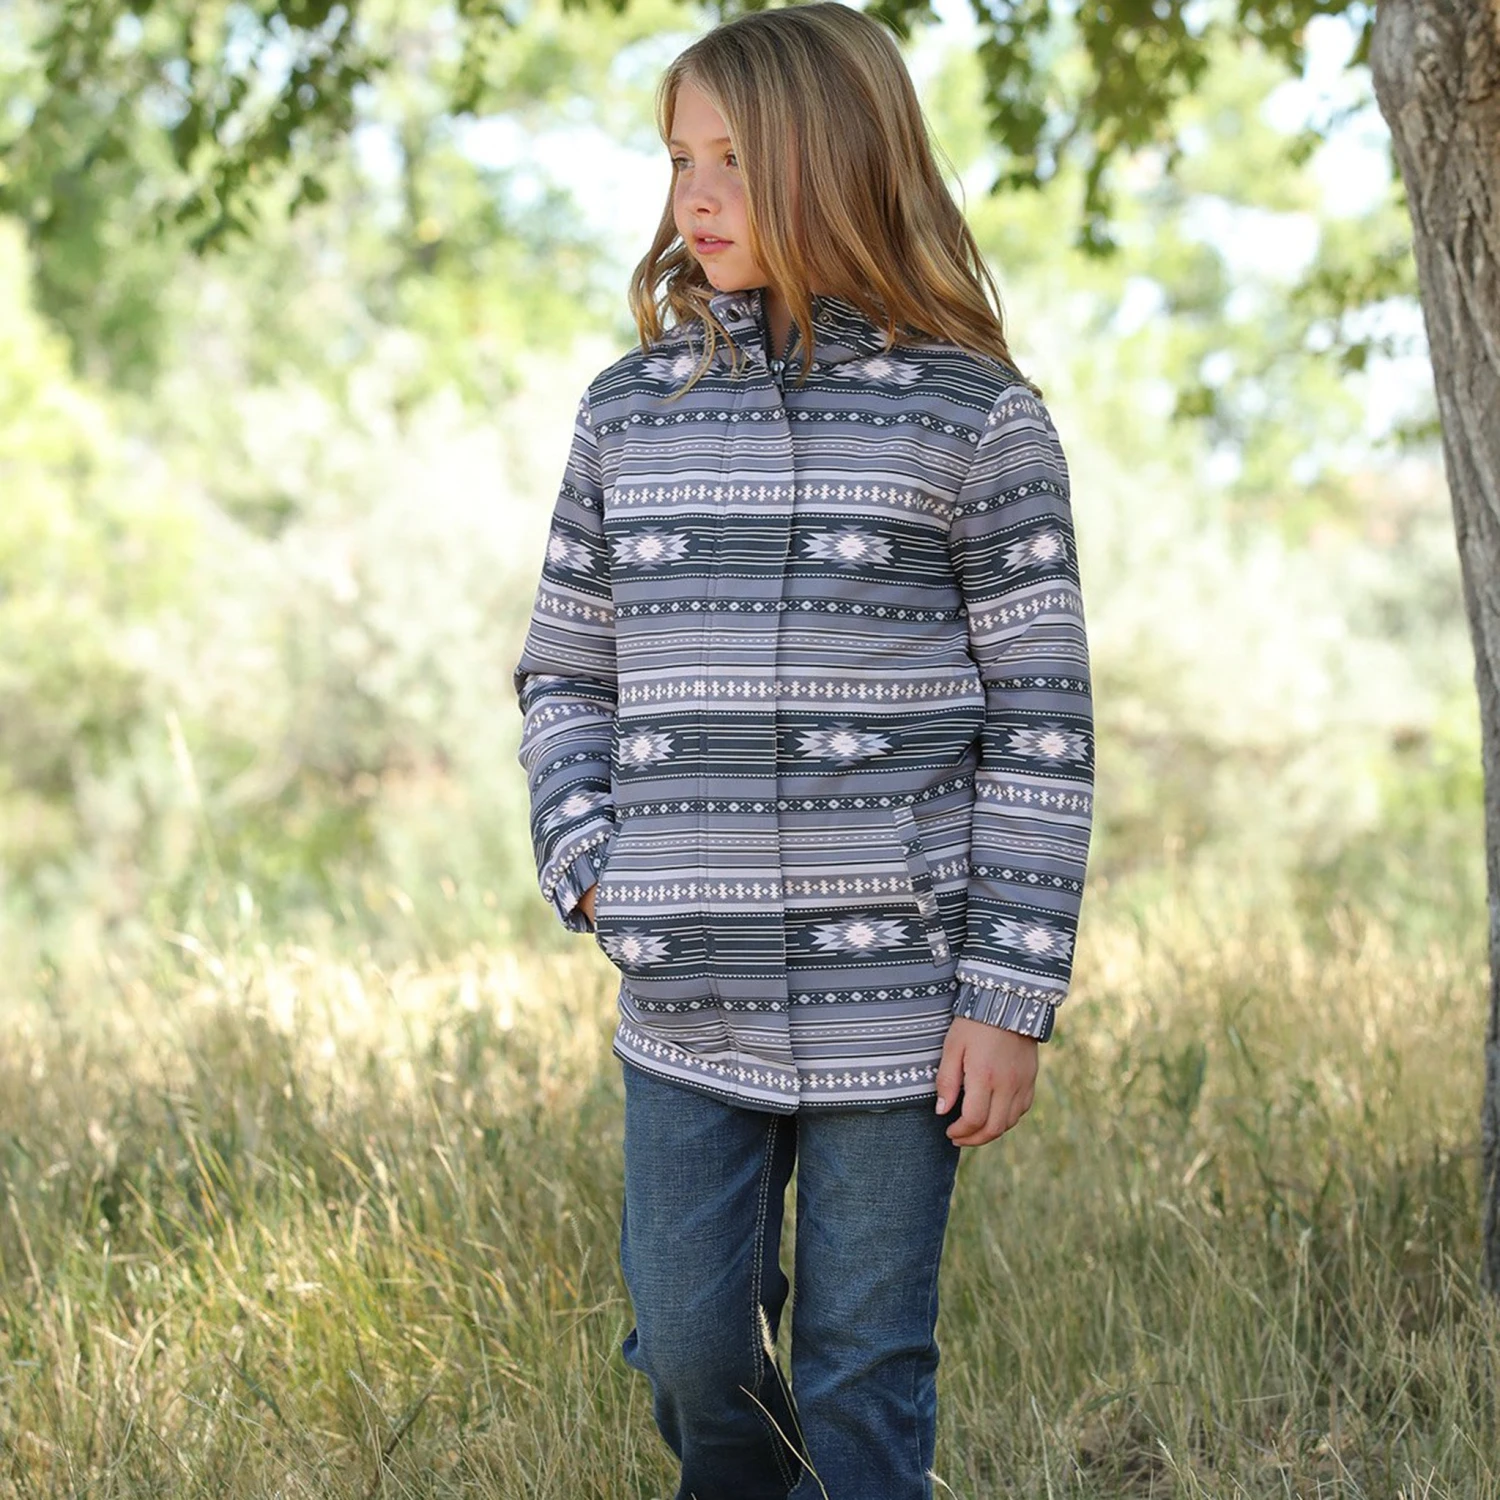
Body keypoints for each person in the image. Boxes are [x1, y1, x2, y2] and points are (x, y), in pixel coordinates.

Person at [513, 5, 1093, 1496]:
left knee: (863, 1362)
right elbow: (566, 670)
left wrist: (1010, 995)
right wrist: (593, 868)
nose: (695, 197)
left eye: (735, 160)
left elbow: (1042, 727)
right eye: (680, 160)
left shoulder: (978, 422)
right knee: (692, 1348)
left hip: (899, 996)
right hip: (685, 985)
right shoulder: (627, 415)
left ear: (837, 162)